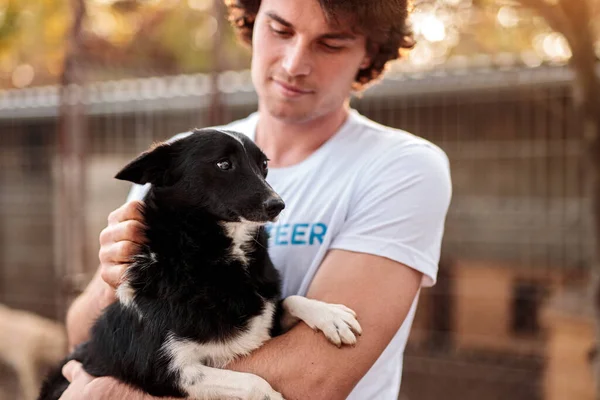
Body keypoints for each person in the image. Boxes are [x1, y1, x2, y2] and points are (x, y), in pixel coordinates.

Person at [59, 0, 452, 399]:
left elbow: (313, 379)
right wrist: (114, 281)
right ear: (251, 19)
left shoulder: (401, 168)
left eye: (330, 44)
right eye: (280, 30)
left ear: (370, 50)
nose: (294, 63)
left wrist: (121, 393)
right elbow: (81, 335)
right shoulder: (186, 161)